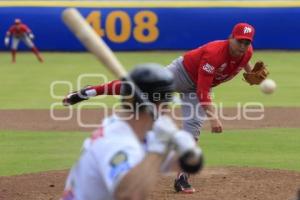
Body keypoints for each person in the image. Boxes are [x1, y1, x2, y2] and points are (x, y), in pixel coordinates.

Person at [62, 22, 269, 193]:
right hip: (182, 74)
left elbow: (244, 62)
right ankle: (90, 91)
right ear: (231, 37)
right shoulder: (214, 54)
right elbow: (203, 92)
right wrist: (214, 117)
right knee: (139, 89)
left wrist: (250, 73)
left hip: (198, 86)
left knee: (193, 127)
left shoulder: (247, 52)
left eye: (246, 42)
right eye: (239, 40)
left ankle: (182, 178)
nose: (242, 45)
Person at [61, 64, 203, 200]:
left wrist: (189, 151)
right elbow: (129, 195)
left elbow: (186, 164)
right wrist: (159, 146)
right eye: (167, 103)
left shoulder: (137, 132)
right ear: (159, 105)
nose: (168, 109)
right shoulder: (116, 141)